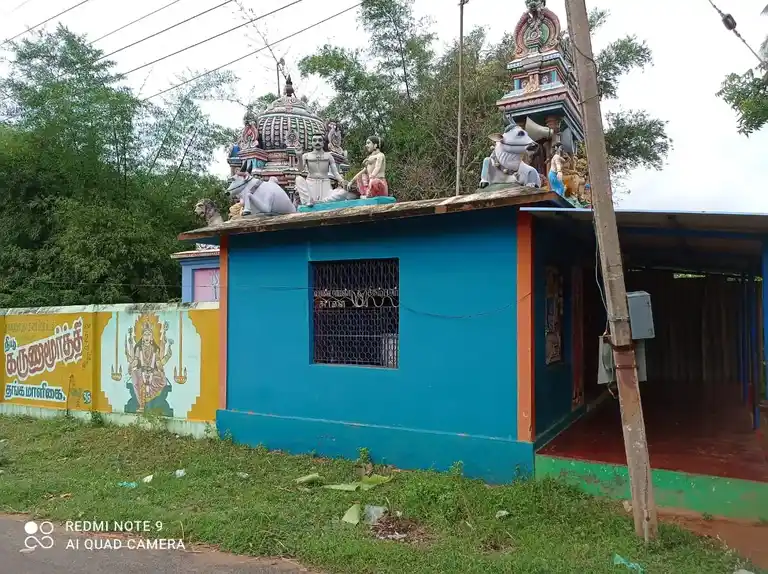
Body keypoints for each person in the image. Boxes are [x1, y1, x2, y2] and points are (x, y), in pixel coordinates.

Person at [295, 133, 346, 205]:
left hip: (325, 184)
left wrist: (342, 181)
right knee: (298, 179)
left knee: (344, 192)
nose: (317, 142)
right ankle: (308, 201)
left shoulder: (329, 156)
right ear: (311, 143)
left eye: (319, 140)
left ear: (323, 143)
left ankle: (322, 202)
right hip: (310, 183)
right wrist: (299, 156)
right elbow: (300, 169)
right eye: (314, 140)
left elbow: (336, 173)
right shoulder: (306, 155)